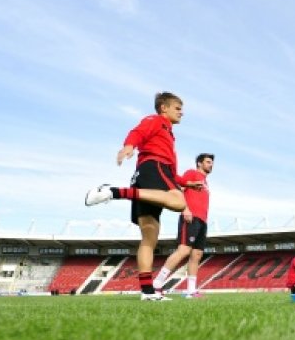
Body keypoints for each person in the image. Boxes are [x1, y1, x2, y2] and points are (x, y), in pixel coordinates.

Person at [85, 92, 201, 301]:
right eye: (178, 108)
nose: (181, 112)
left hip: (147, 176)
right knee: (179, 202)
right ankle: (113, 192)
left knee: (149, 237)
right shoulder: (156, 120)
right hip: (154, 168)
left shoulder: (168, 134)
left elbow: (173, 175)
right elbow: (138, 132)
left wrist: (186, 183)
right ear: (163, 107)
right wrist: (129, 146)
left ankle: (147, 292)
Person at [152, 153, 215, 298]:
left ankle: (191, 291)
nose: (211, 165)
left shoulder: (205, 181)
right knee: (184, 250)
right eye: (208, 162)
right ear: (199, 163)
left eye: (211, 163)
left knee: (197, 255)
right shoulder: (191, 173)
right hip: (190, 217)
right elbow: (176, 185)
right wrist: (184, 209)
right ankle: (157, 283)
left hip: (202, 221)